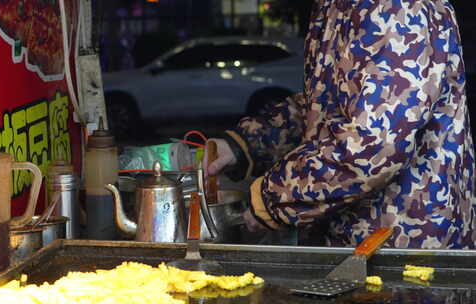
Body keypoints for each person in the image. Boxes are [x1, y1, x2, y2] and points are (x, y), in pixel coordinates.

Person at [204, 0, 476, 249]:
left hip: (404, 244)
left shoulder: (395, 8)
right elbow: (325, 105)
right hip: (354, 241)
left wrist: (274, 197)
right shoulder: (336, 5)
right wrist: (246, 144)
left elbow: (374, 145)